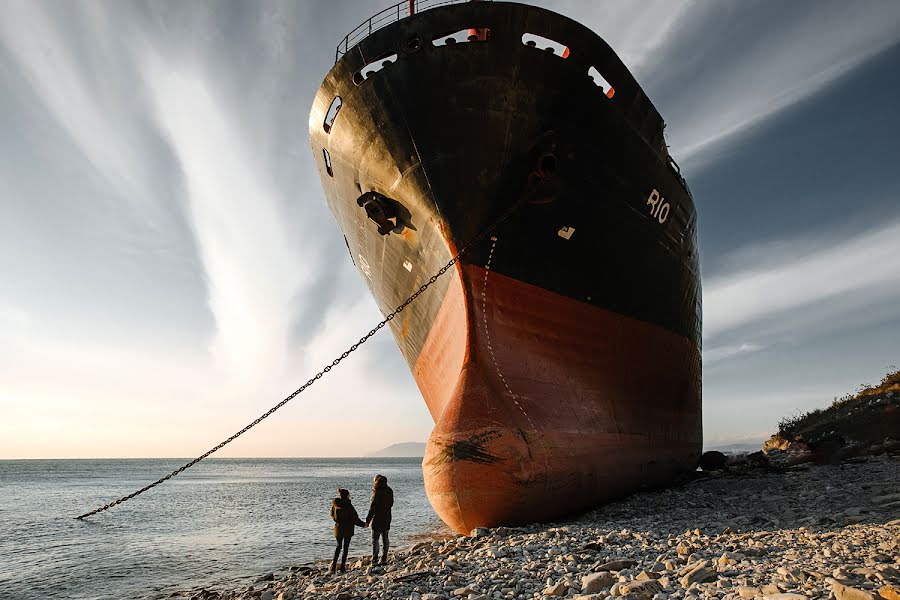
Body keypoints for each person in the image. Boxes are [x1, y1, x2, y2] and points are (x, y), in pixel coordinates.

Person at [330, 488, 366, 573]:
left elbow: (332, 515)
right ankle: (342, 567)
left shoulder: (335, 505)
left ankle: (333, 565)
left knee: (338, 546)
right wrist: (363, 524)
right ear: (347, 496)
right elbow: (354, 519)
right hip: (348, 529)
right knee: (345, 548)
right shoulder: (348, 505)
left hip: (338, 528)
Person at [365, 474, 394, 565]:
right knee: (385, 538)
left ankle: (375, 559)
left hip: (377, 518)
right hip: (387, 517)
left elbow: (373, 507)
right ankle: (384, 558)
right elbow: (391, 503)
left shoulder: (377, 491)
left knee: (375, 540)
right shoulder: (389, 490)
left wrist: (368, 520)